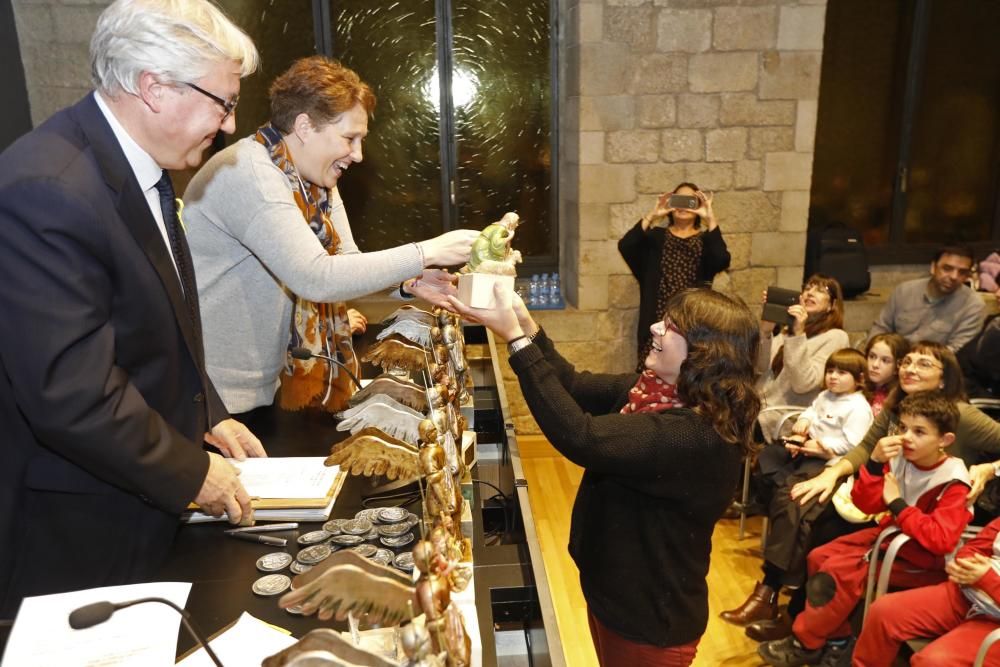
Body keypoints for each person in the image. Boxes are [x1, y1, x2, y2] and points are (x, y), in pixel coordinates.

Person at [0, 0, 266, 618]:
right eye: (222, 102)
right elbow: (71, 391)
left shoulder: (138, 166)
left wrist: (208, 412)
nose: (229, 124)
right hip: (79, 523)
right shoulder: (50, 189)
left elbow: (156, 325)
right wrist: (190, 471)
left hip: (137, 495)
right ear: (153, 87)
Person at [450, 287, 761, 666]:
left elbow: (582, 437)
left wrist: (516, 341)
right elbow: (574, 384)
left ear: (704, 352)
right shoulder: (654, 393)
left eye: (671, 325)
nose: (655, 327)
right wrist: (525, 321)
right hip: (615, 594)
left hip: (647, 620)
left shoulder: (695, 436)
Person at [183, 55, 479, 416]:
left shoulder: (314, 180)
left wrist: (411, 282)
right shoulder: (252, 175)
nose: (357, 155)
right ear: (305, 127)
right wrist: (426, 251)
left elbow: (346, 267)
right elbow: (316, 277)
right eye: (349, 138)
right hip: (218, 395)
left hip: (270, 380)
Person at [759, 392, 973, 666]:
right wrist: (873, 462)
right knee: (818, 556)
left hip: (925, 561)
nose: (907, 437)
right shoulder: (901, 456)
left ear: (945, 441)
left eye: (919, 432)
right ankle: (837, 639)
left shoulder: (953, 479)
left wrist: (897, 504)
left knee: (840, 572)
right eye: (903, 428)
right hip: (892, 538)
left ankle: (806, 642)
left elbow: (940, 540)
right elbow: (867, 503)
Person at [722, 349, 873, 631]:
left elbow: (854, 444)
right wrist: (802, 427)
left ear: (859, 379)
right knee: (766, 459)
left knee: (791, 500)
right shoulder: (825, 396)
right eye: (831, 371)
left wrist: (823, 447)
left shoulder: (859, 407)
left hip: (830, 462)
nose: (834, 377)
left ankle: (768, 589)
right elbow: (811, 412)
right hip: (807, 450)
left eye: (842, 373)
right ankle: (768, 514)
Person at [791, 342, 1000, 512]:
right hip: (890, 493)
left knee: (820, 517)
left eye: (923, 364)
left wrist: (991, 469)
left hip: (933, 511)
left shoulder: (961, 414)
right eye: (906, 362)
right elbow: (867, 447)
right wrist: (831, 474)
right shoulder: (896, 406)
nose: (910, 369)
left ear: (943, 380)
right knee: (805, 499)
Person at [854, 514, 1000, 666]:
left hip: (994, 626)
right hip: (967, 595)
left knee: (933, 662)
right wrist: (969, 566)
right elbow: (972, 548)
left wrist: (987, 578)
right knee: (883, 612)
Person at [618, 182, 730, 370]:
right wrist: (653, 214)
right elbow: (626, 246)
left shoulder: (706, 241)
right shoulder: (655, 238)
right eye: (679, 200)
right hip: (656, 325)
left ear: (698, 207)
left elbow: (722, 259)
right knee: (653, 380)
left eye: (690, 201)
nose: (683, 206)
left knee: (688, 381)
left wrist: (710, 218)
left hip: (693, 325)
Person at [756, 275, 850, 445]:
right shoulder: (787, 331)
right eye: (807, 288)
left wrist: (798, 335)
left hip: (787, 417)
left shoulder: (836, 337)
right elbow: (759, 367)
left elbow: (803, 384)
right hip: (758, 406)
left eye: (820, 290)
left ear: (832, 305)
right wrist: (765, 331)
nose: (810, 293)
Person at [868, 245, 985, 352]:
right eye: (947, 268)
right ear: (933, 267)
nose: (954, 277)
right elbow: (881, 327)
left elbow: (954, 351)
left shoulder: (972, 305)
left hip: (933, 367)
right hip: (891, 361)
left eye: (962, 272)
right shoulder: (905, 291)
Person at [864, 333, 910, 416]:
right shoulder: (857, 386)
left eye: (885, 360)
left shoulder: (900, 399)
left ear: (898, 366)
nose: (875, 365)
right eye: (872, 356)